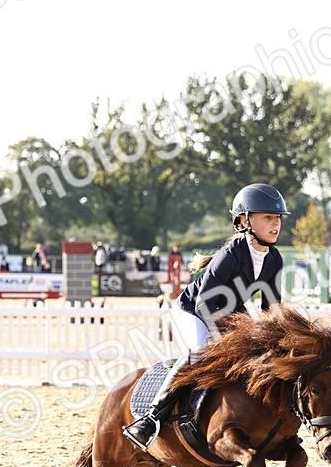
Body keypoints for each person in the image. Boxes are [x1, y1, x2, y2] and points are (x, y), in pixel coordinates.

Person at [122, 183, 289, 450]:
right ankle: (151, 418)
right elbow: (204, 302)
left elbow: (272, 307)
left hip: (232, 313)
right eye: (268, 217)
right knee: (199, 353)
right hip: (193, 310)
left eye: (278, 217)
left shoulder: (274, 258)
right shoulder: (232, 254)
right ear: (245, 220)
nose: (275, 223)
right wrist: (222, 338)